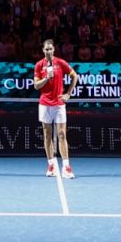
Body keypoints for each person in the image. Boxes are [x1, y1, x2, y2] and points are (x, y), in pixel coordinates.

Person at [32, 37, 82, 178]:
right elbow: (36, 85)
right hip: (44, 104)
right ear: (43, 50)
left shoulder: (61, 63)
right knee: (47, 135)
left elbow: (75, 76)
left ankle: (66, 167)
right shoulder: (39, 65)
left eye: (51, 48)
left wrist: (68, 94)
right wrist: (47, 78)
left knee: (61, 135)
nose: (48, 51)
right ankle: (51, 165)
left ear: (54, 49)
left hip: (59, 105)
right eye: (46, 49)